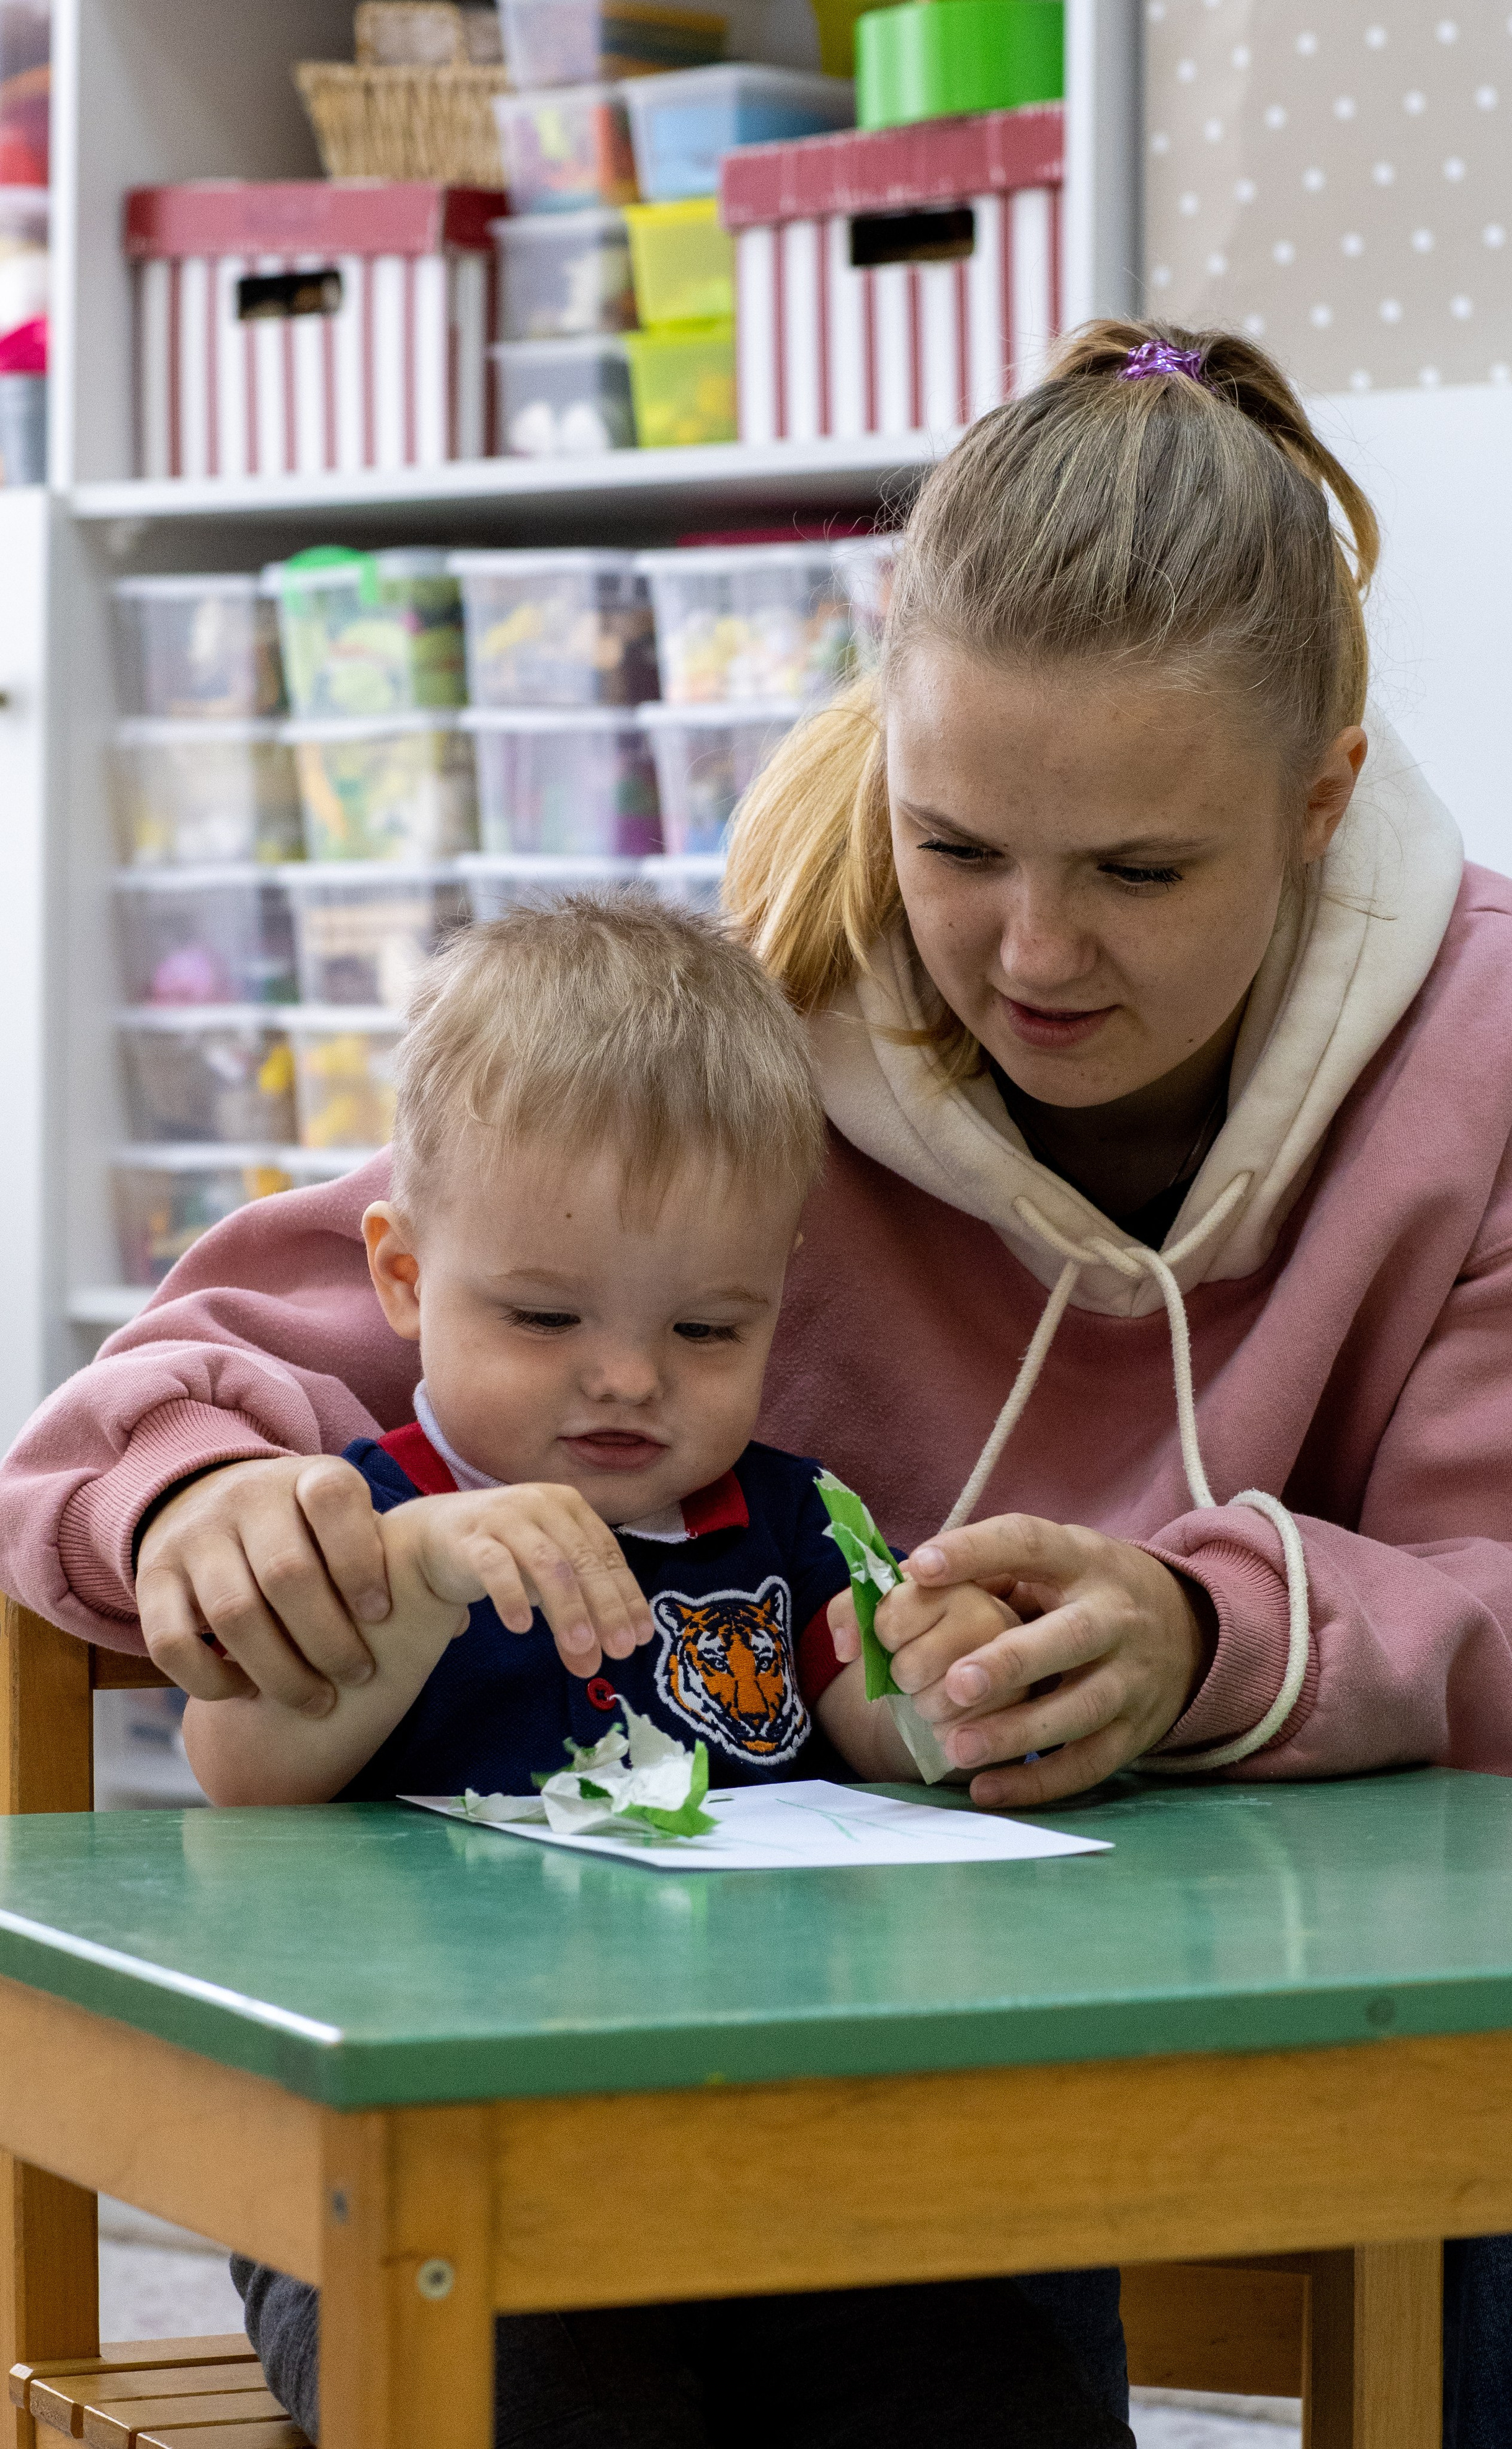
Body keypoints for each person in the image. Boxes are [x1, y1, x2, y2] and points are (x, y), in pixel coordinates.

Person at [2, 316, 1512, 2440]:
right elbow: (182, 1383)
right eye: (956, 847)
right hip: (679, 2073)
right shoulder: (749, 1040)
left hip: (1138, 2051)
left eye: (1140, 871)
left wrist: (1210, 1626)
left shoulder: (1506, 1065)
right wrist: (203, 1505)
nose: (1031, 954)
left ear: (1319, 797)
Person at [188, 892, 1129, 2449]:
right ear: (405, 1277)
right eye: (544, 1315)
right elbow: (239, 1764)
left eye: (706, 1325)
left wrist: (942, 1682)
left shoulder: (777, 1516)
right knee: (531, 2396)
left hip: (758, 2167)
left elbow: (875, 1730)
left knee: (986, 2359)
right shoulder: (368, 1520)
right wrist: (414, 1582)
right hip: (406, 2185)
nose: (627, 1375)